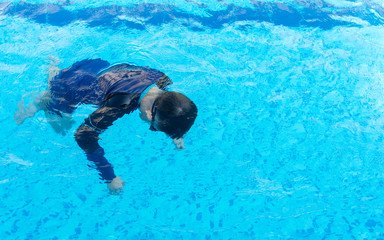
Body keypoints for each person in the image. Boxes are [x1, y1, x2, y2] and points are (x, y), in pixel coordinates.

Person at [14, 59, 198, 194]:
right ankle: (45, 96)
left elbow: (172, 108)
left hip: (94, 66)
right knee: (61, 125)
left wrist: (175, 131)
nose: (151, 126)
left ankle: (56, 68)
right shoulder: (122, 104)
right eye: (154, 127)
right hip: (69, 88)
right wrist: (109, 177)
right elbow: (83, 135)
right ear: (149, 115)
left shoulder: (163, 80)